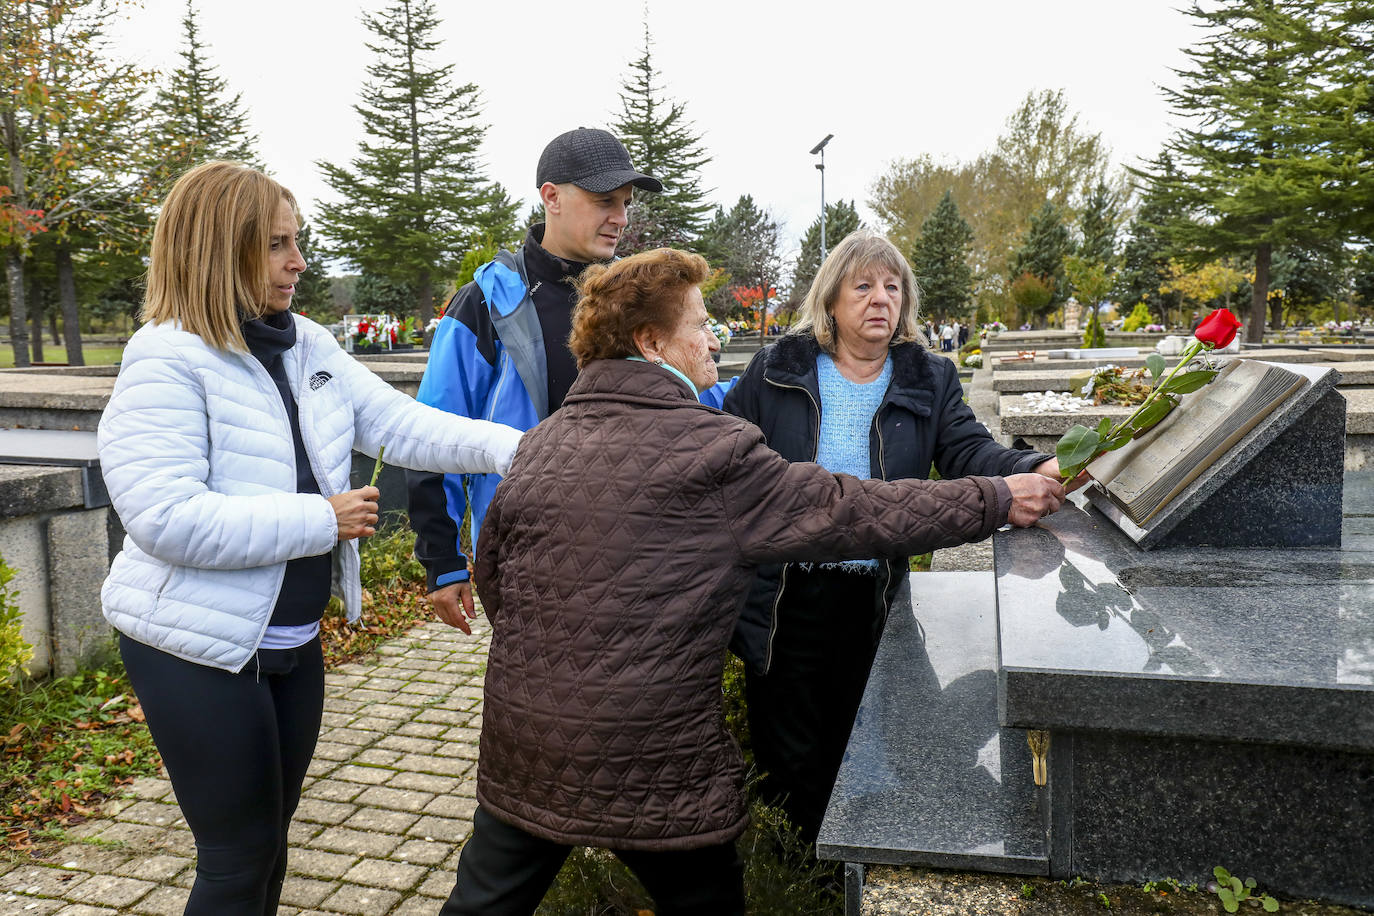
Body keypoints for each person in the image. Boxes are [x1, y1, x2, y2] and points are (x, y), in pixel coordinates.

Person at [440, 247, 1065, 914]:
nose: (717, 337)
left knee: (483, 902)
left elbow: (494, 574)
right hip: (655, 758)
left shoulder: (539, 442)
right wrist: (996, 500)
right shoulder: (716, 450)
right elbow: (853, 509)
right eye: (701, 323)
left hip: (526, 746)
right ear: (651, 343)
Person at [97, 161, 523, 915]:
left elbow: (397, 424)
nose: (299, 262)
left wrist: (519, 449)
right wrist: (320, 519)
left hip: (293, 643)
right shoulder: (163, 359)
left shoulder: (307, 343)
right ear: (215, 250)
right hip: (194, 648)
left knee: (271, 847)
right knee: (235, 861)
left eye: (297, 242)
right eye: (277, 245)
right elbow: (162, 518)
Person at [722, 229, 1076, 847]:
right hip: (782, 597)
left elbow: (967, 449)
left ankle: (854, 862)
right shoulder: (776, 370)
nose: (879, 299)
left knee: (867, 738)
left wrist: (1027, 469)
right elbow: (727, 451)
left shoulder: (928, 376)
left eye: (892, 287)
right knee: (790, 753)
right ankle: (802, 872)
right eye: (862, 286)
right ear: (830, 299)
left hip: (877, 599)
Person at [407, 127, 733, 633]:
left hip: (636, 541)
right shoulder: (486, 303)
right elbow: (433, 434)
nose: (620, 218)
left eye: (625, 203)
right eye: (605, 201)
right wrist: (442, 562)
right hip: (527, 550)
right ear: (551, 197)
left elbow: (702, 397)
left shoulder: (638, 295)